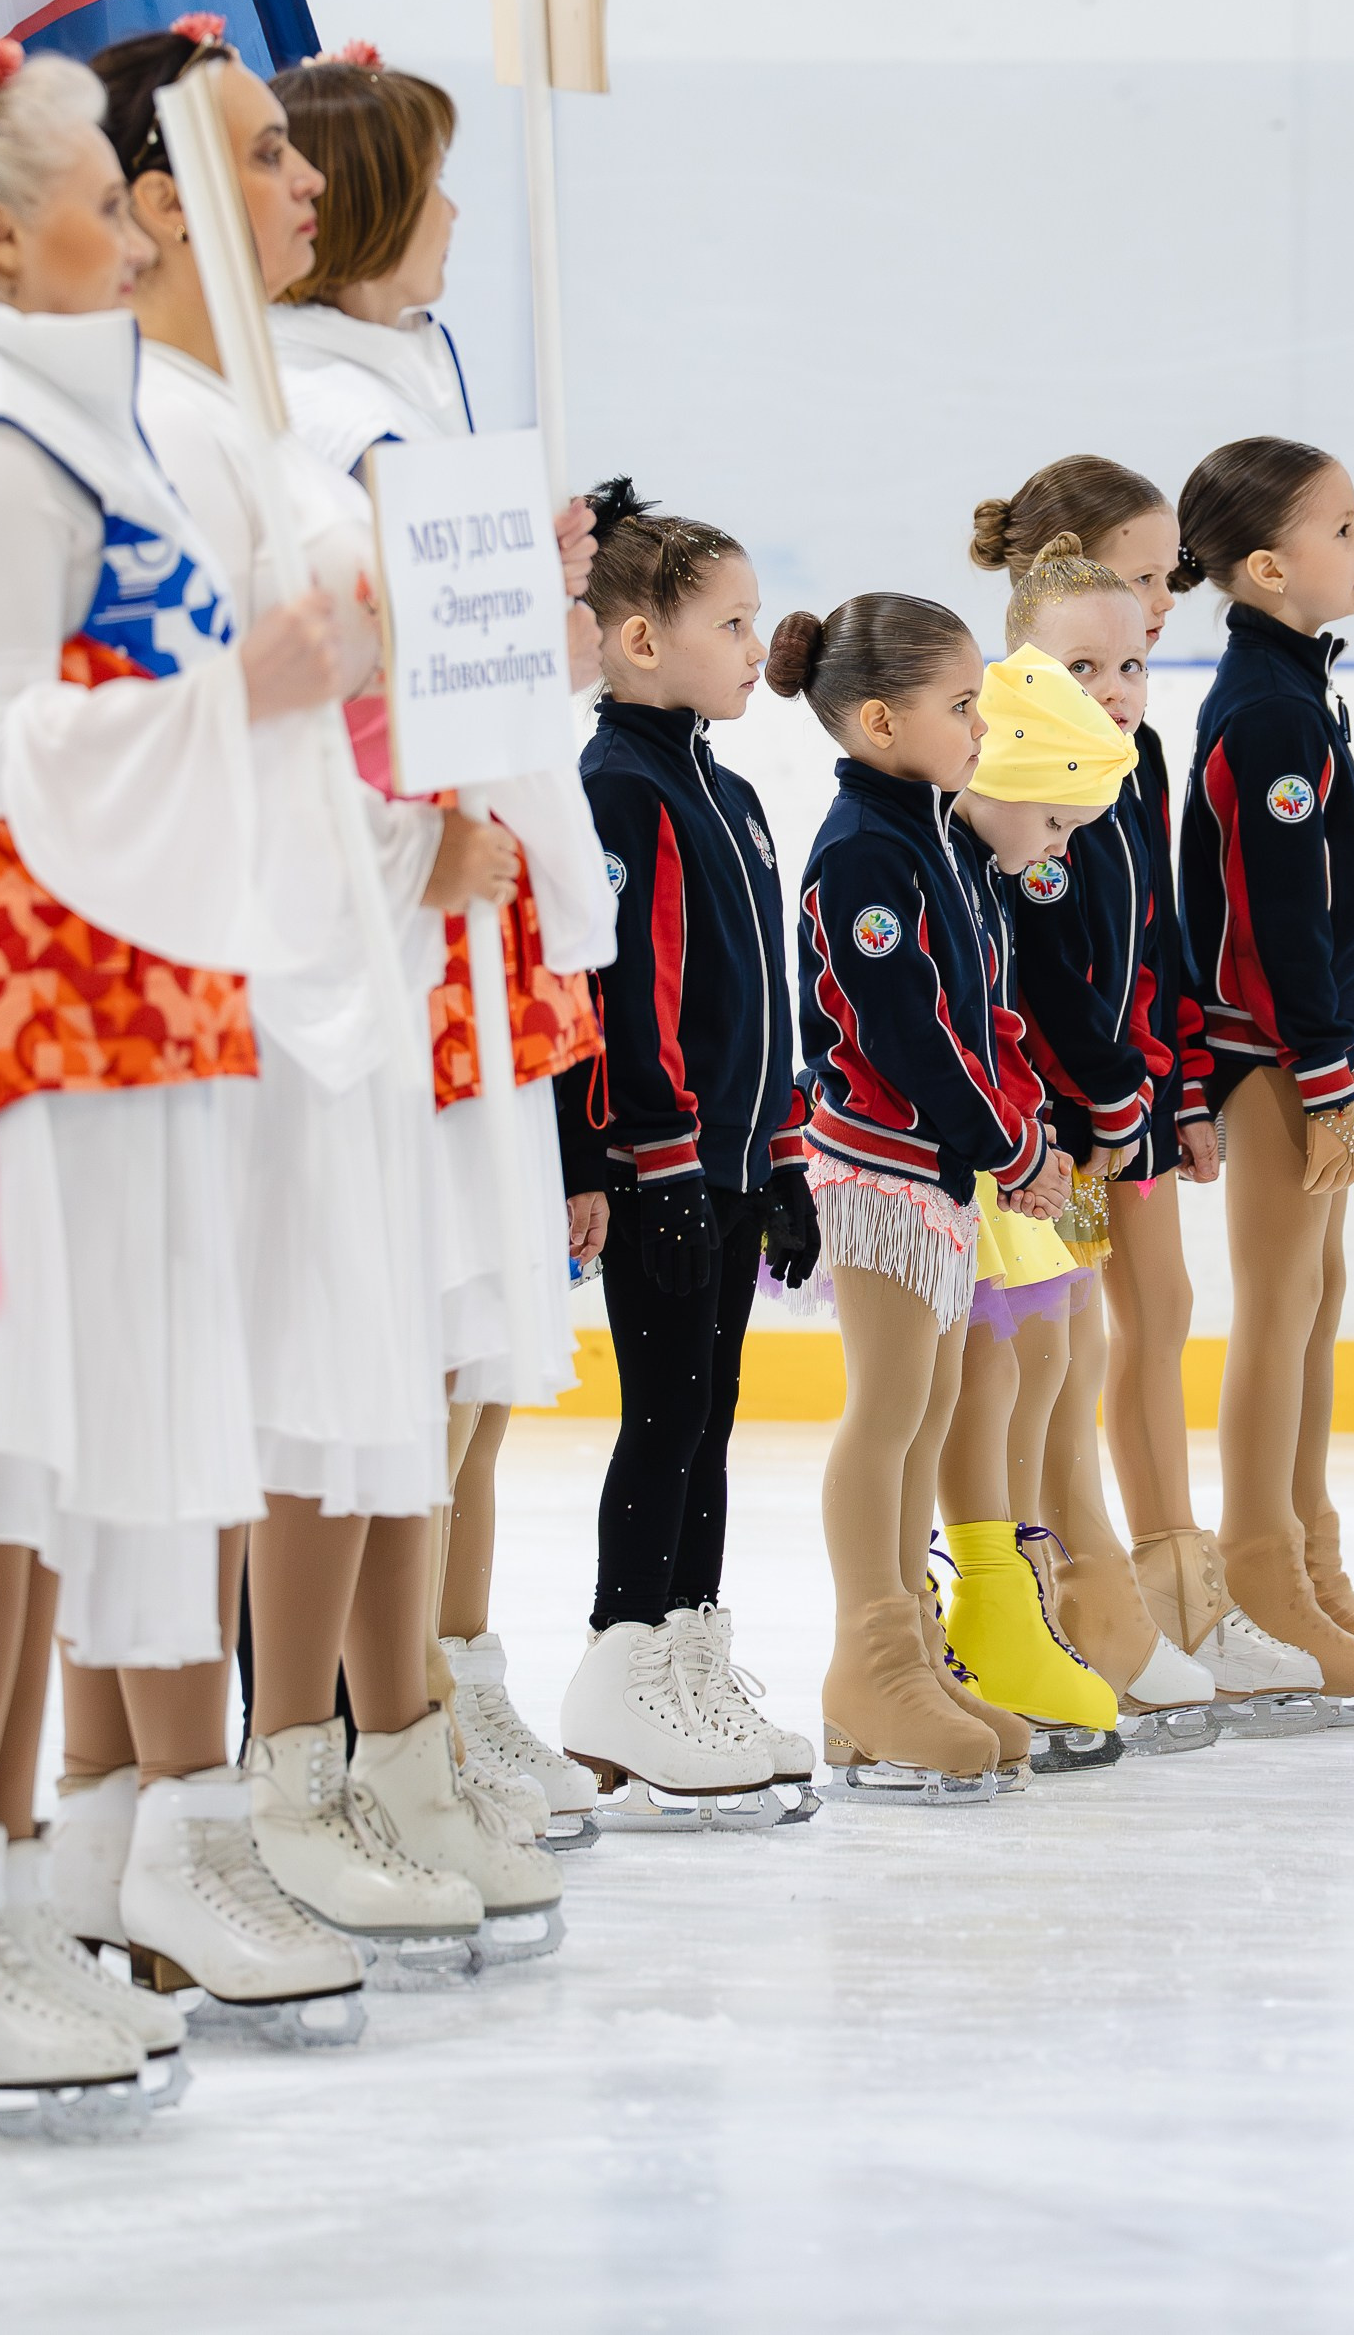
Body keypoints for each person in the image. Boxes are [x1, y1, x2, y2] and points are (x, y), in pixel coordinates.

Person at [88, 27, 561, 1986]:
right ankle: (204, 1803)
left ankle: (255, 1785)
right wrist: (402, 828)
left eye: (300, 152)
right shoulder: (169, 427)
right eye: (264, 154)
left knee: (342, 1382)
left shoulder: (260, 420)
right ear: (157, 199)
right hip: (252, 972)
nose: (305, 185)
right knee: (234, 1399)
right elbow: (174, 718)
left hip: (342, 962)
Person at [0, 43, 365, 2127]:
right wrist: (237, 698)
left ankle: (9, 1873)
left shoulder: (76, 432)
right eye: (105, 197)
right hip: (7, 1041)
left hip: (116, 1013)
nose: (138, 228)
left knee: (42, 1470)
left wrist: (270, 687)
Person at [271, 47, 610, 1828]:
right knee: (393, 1351)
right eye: (432, 179)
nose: (461, 212)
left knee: (456, 1357)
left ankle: (420, 1715)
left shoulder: (400, 387)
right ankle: (345, 1735)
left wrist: (534, 616)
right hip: (392, 926)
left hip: (472, 914)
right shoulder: (326, 417)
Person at [969, 463, 1322, 1727]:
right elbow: (1041, 969)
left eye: (1169, 577)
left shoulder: (1143, 748)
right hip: (1063, 1126)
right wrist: (1113, 1099)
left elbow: (1155, 933)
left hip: (1134, 1106)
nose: (1166, 595)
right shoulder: (1013, 759)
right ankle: (1077, 1593)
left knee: (1156, 1307)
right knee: (1052, 1349)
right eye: (1141, 572)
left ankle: (1176, 1587)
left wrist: (1177, 1085)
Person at [770, 598, 1094, 1798]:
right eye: (960, 705)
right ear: (877, 720)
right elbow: (905, 1030)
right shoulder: (864, 849)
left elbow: (980, 1010)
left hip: (936, 1170)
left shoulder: (929, 839)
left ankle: (906, 1651)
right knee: (890, 1406)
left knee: (933, 1398)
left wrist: (1022, 1131)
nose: (980, 726)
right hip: (876, 1169)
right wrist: (1004, 1144)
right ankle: (870, 1657)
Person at [552, 481, 819, 1824]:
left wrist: (784, 1156)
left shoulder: (734, 793)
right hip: (663, 1172)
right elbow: (629, 995)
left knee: (709, 1414)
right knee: (664, 1412)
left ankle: (687, 1646)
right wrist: (652, 1163)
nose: (754, 648)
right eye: (730, 623)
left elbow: (762, 998)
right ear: (641, 639)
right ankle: (624, 1652)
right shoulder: (621, 786)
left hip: (730, 1164)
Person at [1176, 438, 1354, 1711]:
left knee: (1314, 1297)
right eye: (1342, 528)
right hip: (1270, 1057)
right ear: (1269, 567)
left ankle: (1313, 1562)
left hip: (1300, 1053)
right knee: (1279, 1304)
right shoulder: (1267, 709)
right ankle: (1260, 1569)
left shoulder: (1295, 691)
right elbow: (1273, 920)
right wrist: (1322, 1075)